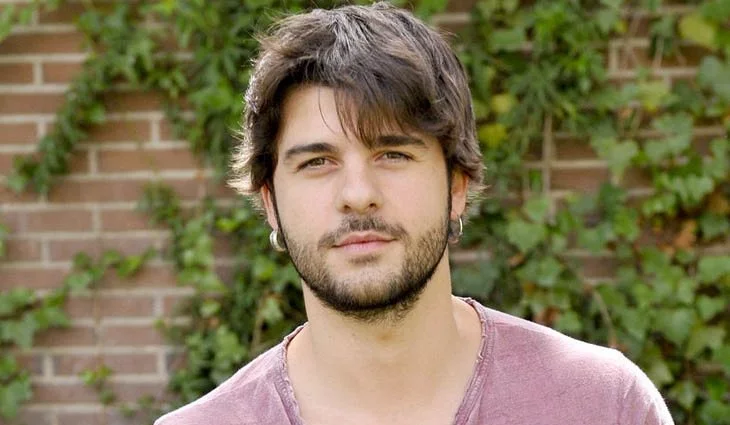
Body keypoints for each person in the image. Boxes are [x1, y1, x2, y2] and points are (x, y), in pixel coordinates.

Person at [154, 3, 674, 424]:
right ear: (270, 203)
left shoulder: (603, 403)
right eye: (317, 162)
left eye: (393, 154)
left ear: (456, 185)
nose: (358, 194)